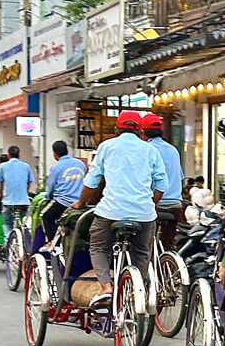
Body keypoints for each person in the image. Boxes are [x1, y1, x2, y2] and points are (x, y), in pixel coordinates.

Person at [73, 110, 167, 304]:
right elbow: (161, 185)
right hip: (144, 213)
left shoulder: (106, 147)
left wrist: (81, 203)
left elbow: (91, 181)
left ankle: (107, 287)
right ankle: (136, 287)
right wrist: (150, 205)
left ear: (117, 128)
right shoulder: (150, 150)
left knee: (99, 246)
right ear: (139, 130)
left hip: (110, 211)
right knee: (141, 250)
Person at [141, 113, 184, 246]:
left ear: (142, 132)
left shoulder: (145, 150)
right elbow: (180, 177)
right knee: (167, 244)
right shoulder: (173, 150)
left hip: (154, 205)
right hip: (175, 206)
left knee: (140, 245)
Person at [40, 140, 86, 237]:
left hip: (62, 202)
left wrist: (48, 197)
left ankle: (51, 243)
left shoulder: (56, 167)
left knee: (45, 216)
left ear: (55, 154)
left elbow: (50, 187)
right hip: (80, 202)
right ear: (67, 151)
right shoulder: (80, 164)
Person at [0, 145, 34, 241]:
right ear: (19, 155)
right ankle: (25, 239)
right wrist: (25, 193)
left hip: (8, 201)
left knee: (7, 223)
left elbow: (0, 182)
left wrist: (1, 194)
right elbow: (29, 182)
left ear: (8, 155)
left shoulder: (3, 166)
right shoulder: (26, 166)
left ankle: (8, 242)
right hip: (24, 201)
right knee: (25, 222)